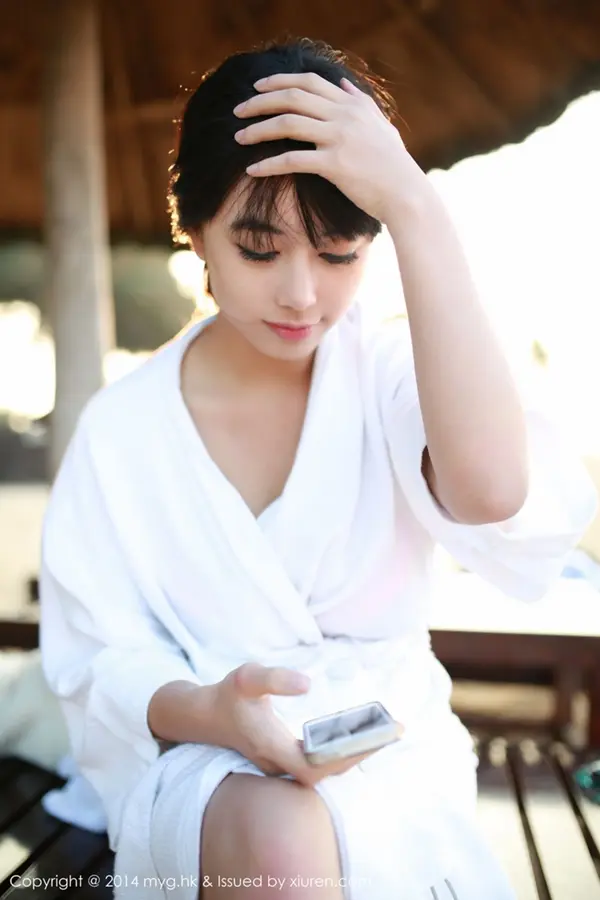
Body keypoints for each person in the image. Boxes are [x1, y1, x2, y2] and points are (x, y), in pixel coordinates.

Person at [39, 38, 597, 900]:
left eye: (339, 253)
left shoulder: (393, 374)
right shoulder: (122, 430)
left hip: (390, 752)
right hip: (200, 752)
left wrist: (413, 202)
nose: (302, 294)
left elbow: (491, 492)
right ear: (196, 232)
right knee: (276, 835)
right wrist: (215, 712)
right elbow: (96, 662)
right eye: (260, 250)